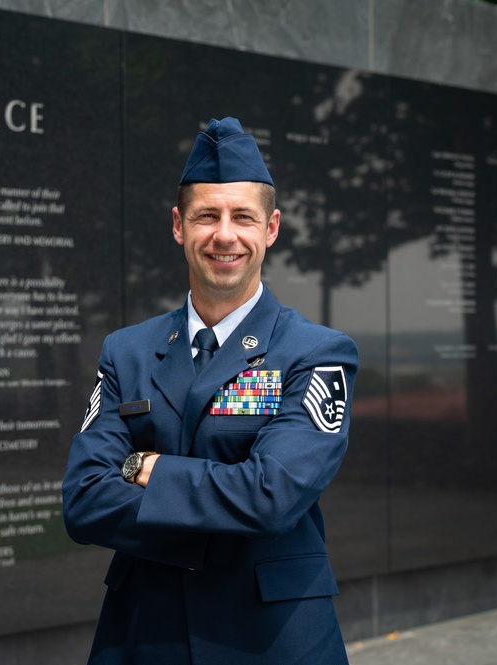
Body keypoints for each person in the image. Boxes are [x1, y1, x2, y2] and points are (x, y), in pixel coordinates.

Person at [62, 117, 358, 664]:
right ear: (179, 226)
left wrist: (145, 468)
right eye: (206, 216)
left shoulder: (316, 353)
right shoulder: (126, 352)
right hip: (146, 634)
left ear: (270, 229)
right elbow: (83, 501)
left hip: (272, 638)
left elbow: (272, 498)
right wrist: (224, 505)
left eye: (242, 216)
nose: (225, 234)